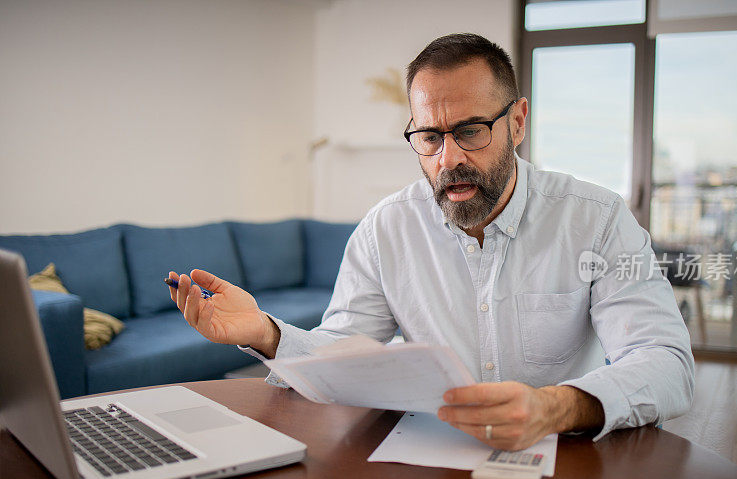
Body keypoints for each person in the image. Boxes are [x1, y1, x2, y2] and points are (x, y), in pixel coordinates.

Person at [168, 33, 694, 451]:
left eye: (470, 131)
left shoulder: (597, 219)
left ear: (517, 122)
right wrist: (265, 332)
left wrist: (556, 407)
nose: (449, 159)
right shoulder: (385, 228)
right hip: (426, 459)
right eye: (429, 137)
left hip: (566, 456)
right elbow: (346, 351)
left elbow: (666, 361)